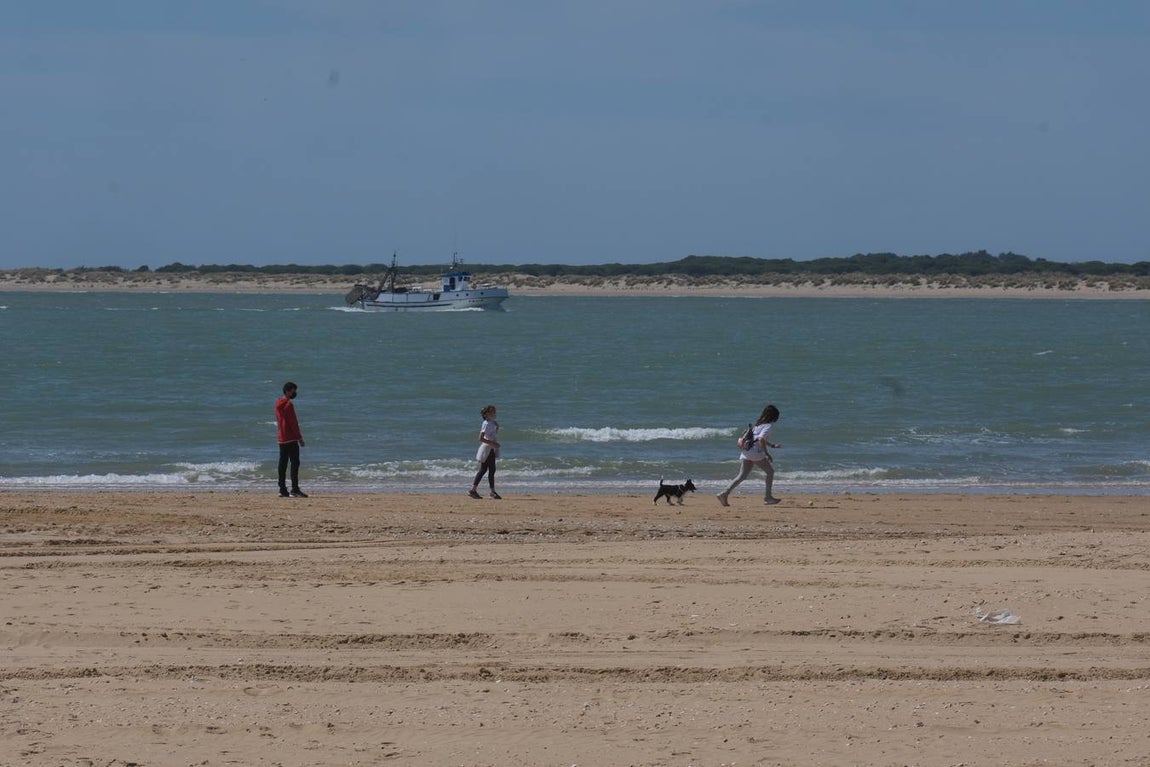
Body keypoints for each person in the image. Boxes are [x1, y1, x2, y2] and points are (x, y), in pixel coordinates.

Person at [717, 404, 781, 506]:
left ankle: (724, 494)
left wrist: (772, 445)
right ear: (774, 416)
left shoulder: (757, 425)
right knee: (770, 472)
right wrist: (767, 453)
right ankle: (768, 497)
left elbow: (758, 439)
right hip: (756, 453)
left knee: (741, 476)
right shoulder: (768, 426)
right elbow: (760, 439)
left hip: (747, 451)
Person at [275, 381, 308, 498]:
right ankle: (295, 489)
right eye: (294, 390)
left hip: (281, 437)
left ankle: (282, 489)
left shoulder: (278, 403)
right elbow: (293, 423)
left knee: (282, 464)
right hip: (290, 438)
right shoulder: (289, 405)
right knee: (295, 463)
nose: (295, 393)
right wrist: (299, 438)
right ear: (288, 391)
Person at [468, 404, 501, 499]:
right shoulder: (486, 423)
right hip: (488, 448)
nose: (494, 414)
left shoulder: (492, 422)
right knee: (490, 470)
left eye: (494, 412)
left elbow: (492, 434)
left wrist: (497, 426)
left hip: (491, 448)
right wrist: (493, 443)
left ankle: (474, 490)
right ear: (486, 414)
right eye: (492, 412)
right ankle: (492, 492)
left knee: (485, 470)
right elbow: (481, 438)